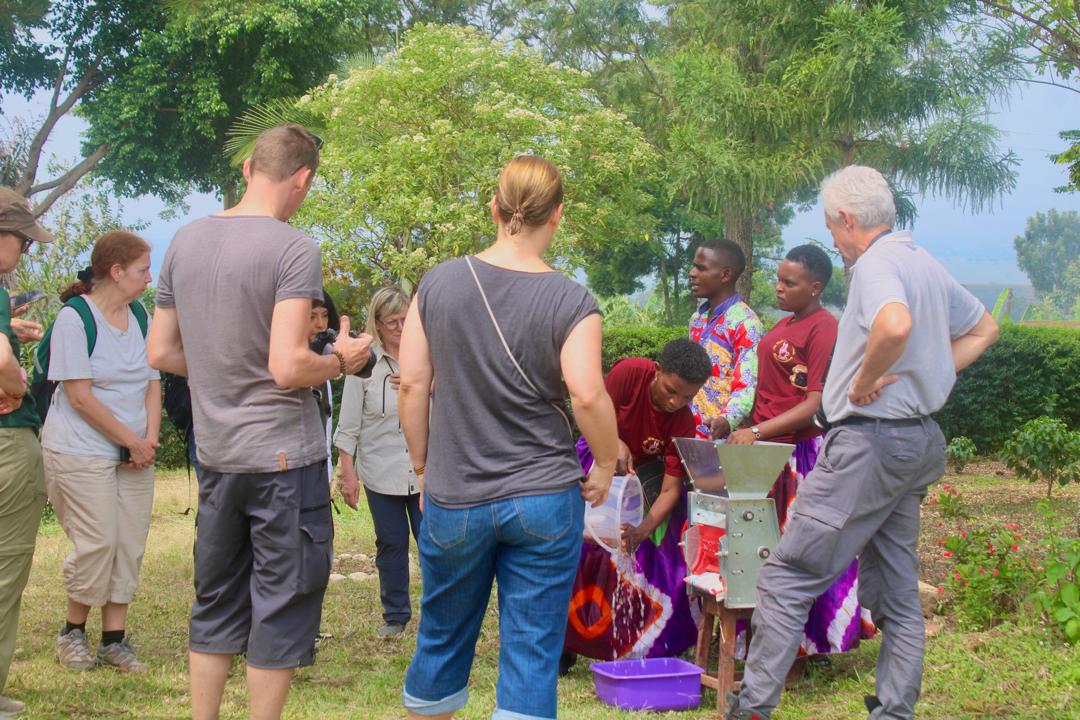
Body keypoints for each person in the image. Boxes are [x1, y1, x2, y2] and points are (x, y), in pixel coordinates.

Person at [728, 166, 999, 720]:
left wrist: (863, 381)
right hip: (916, 441)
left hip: (869, 442)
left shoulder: (875, 264)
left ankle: (751, 708)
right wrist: (930, 375)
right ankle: (895, 710)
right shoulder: (922, 260)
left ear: (848, 219)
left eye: (832, 227)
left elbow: (894, 326)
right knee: (897, 589)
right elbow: (984, 329)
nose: (833, 239)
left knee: (787, 576)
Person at [146, 124, 373, 720]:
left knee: (215, 601)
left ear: (248, 168)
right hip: (282, 461)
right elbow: (287, 366)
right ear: (303, 179)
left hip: (218, 455)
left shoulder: (184, 241)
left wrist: (222, 361)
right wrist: (342, 361)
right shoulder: (293, 247)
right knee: (281, 604)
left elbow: (161, 352)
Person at [397, 155, 619, 720]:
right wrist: (602, 465)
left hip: (455, 494)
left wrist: (422, 469)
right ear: (558, 215)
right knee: (532, 652)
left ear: (494, 208)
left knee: (440, 639)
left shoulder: (438, 283)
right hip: (544, 497)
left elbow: (413, 385)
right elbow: (587, 394)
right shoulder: (572, 300)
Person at [728, 244, 873, 660]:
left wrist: (757, 431)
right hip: (766, 452)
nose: (779, 288)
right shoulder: (786, 323)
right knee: (761, 549)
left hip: (798, 455)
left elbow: (814, 404)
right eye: (778, 279)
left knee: (798, 551)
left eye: (789, 283)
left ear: (815, 287)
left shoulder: (823, 328)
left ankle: (802, 646)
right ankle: (761, 643)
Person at [40, 231, 159, 674]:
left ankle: (114, 639)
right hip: (79, 448)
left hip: (135, 450)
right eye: (143, 270)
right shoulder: (75, 319)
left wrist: (147, 439)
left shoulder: (141, 315)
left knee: (128, 542)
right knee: (99, 541)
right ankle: (72, 632)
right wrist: (131, 440)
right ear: (116, 271)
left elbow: (153, 382)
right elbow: (79, 397)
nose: (149, 278)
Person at [562, 338, 710, 669]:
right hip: (596, 463)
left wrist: (642, 530)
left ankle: (638, 644)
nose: (675, 402)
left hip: (643, 485)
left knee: (651, 557)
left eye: (687, 397)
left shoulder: (683, 422)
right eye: (670, 390)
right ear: (657, 371)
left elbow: (670, 491)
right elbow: (591, 410)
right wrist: (613, 442)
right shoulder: (629, 373)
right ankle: (565, 642)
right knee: (582, 552)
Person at [334, 286, 420, 639]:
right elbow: (348, 426)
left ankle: (442, 616)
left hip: (424, 470)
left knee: (435, 544)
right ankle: (395, 616)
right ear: (378, 324)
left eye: (405, 319)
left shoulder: (426, 356)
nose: (400, 327)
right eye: (392, 321)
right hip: (381, 471)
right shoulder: (364, 363)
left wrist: (422, 387)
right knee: (391, 543)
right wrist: (348, 475)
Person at [0, 187, 52, 719]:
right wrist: (16, 381)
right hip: (7, 440)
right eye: (23, 241)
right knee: (5, 566)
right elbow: (0, 363)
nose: (23, 252)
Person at [688, 239, 765, 439]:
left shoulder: (746, 324)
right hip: (687, 431)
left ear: (725, 275)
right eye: (694, 266)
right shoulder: (697, 319)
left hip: (720, 437)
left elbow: (747, 384)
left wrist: (726, 419)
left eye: (701, 268)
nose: (692, 273)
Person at [309, 290, 339, 479]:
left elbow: (325, 435)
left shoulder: (325, 367)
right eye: (312, 316)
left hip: (318, 473)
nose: (320, 324)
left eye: (325, 315)